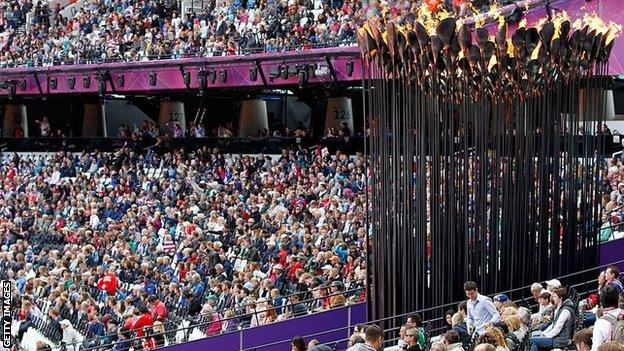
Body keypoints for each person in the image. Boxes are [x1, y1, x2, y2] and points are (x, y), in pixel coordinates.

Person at [529, 287, 575, 351]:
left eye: (555, 297)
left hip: (561, 340)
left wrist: (546, 336)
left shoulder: (565, 311)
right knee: (533, 337)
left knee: (535, 340)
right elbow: (553, 324)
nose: (553, 298)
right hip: (556, 337)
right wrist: (544, 333)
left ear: (560, 298)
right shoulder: (560, 308)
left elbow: (557, 328)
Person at [592, 285, 622, 351]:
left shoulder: (600, 323)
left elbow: (596, 348)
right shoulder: (622, 314)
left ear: (601, 302)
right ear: (617, 299)